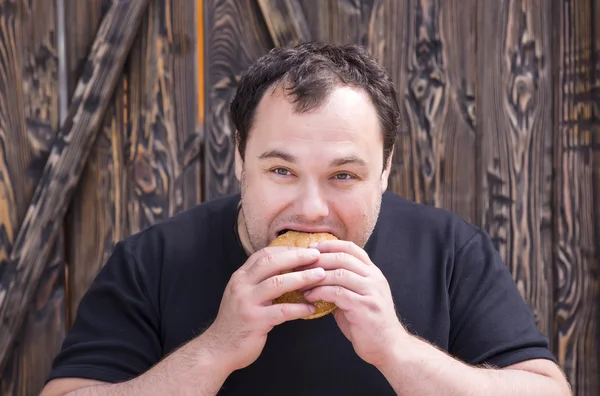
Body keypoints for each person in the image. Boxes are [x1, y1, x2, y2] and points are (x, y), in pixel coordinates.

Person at [41, 42, 571, 396]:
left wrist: (396, 350)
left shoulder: (450, 250)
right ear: (239, 159)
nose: (312, 208)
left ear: (385, 170)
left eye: (343, 175)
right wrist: (215, 350)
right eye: (281, 170)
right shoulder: (152, 259)